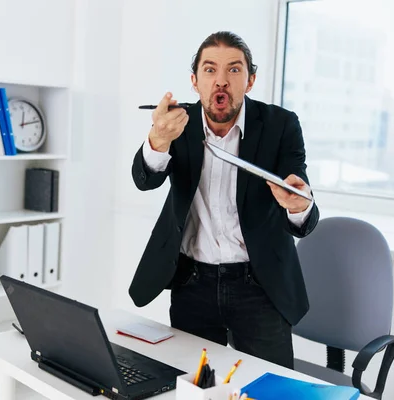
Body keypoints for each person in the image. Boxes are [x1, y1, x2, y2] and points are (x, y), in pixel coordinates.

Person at [129, 31, 319, 369]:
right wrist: (157, 140)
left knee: (267, 391)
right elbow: (145, 180)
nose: (221, 81)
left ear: (250, 80)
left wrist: (298, 204)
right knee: (195, 387)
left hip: (260, 285)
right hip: (192, 284)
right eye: (209, 70)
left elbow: (303, 205)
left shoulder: (280, 125)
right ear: (194, 81)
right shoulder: (177, 124)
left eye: (233, 70)